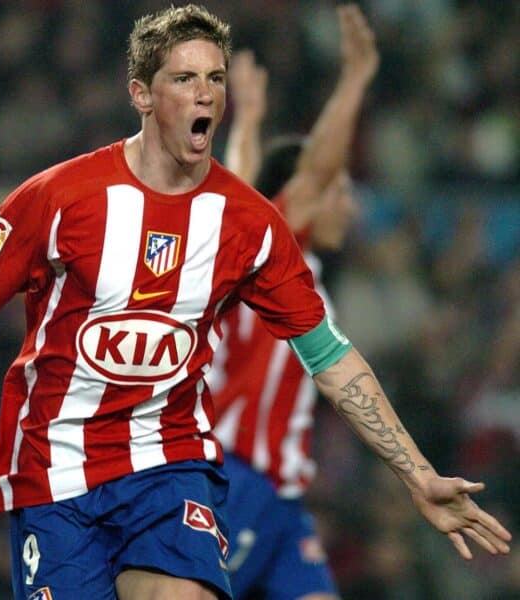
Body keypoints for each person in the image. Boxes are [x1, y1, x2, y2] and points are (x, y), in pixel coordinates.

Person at [0, 4, 512, 600]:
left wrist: (416, 471)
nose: (205, 95)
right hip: (54, 470)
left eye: (215, 79)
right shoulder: (57, 197)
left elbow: (329, 355)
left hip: (169, 463)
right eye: (185, 78)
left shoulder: (249, 224)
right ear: (141, 93)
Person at [208, 5, 381, 599]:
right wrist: (356, 77)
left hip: (283, 495)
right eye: (341, 191)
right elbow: (299, 178)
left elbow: (241, 187)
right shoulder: (275, 255)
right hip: (237, 477)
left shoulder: (294, 268)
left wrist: (251, 121)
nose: (348, 206)